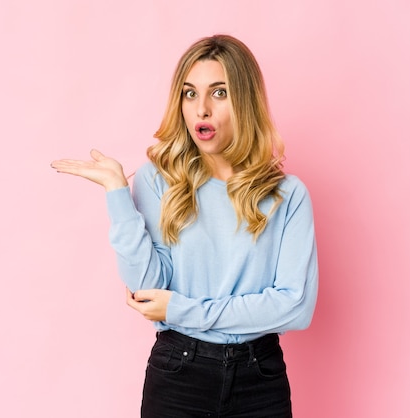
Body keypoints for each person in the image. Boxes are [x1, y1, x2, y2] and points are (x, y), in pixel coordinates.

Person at [51, 34, 318, 418]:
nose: (202, 110)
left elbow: (295, 307)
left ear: (245, 100)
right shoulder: (158, 181)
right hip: (179, 374)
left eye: (219, 93)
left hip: (260, 379)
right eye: (190, 94)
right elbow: (148, 292)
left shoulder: (287, 195)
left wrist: (183, 310)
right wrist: (117, 195)